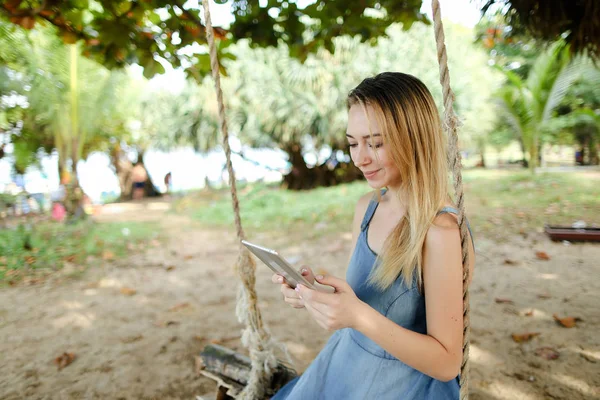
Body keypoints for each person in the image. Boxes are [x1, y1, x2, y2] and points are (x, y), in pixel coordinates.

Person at [271, 72, 476, 399]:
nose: (360, 158)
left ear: (415, 139)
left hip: (400, 387)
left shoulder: (440, 232)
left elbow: (448, 362)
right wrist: (315, 293)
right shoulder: (367, 207)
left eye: (376, 143)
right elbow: (366, 296)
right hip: (344, 367)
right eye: (353, 143)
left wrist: (357, 316)